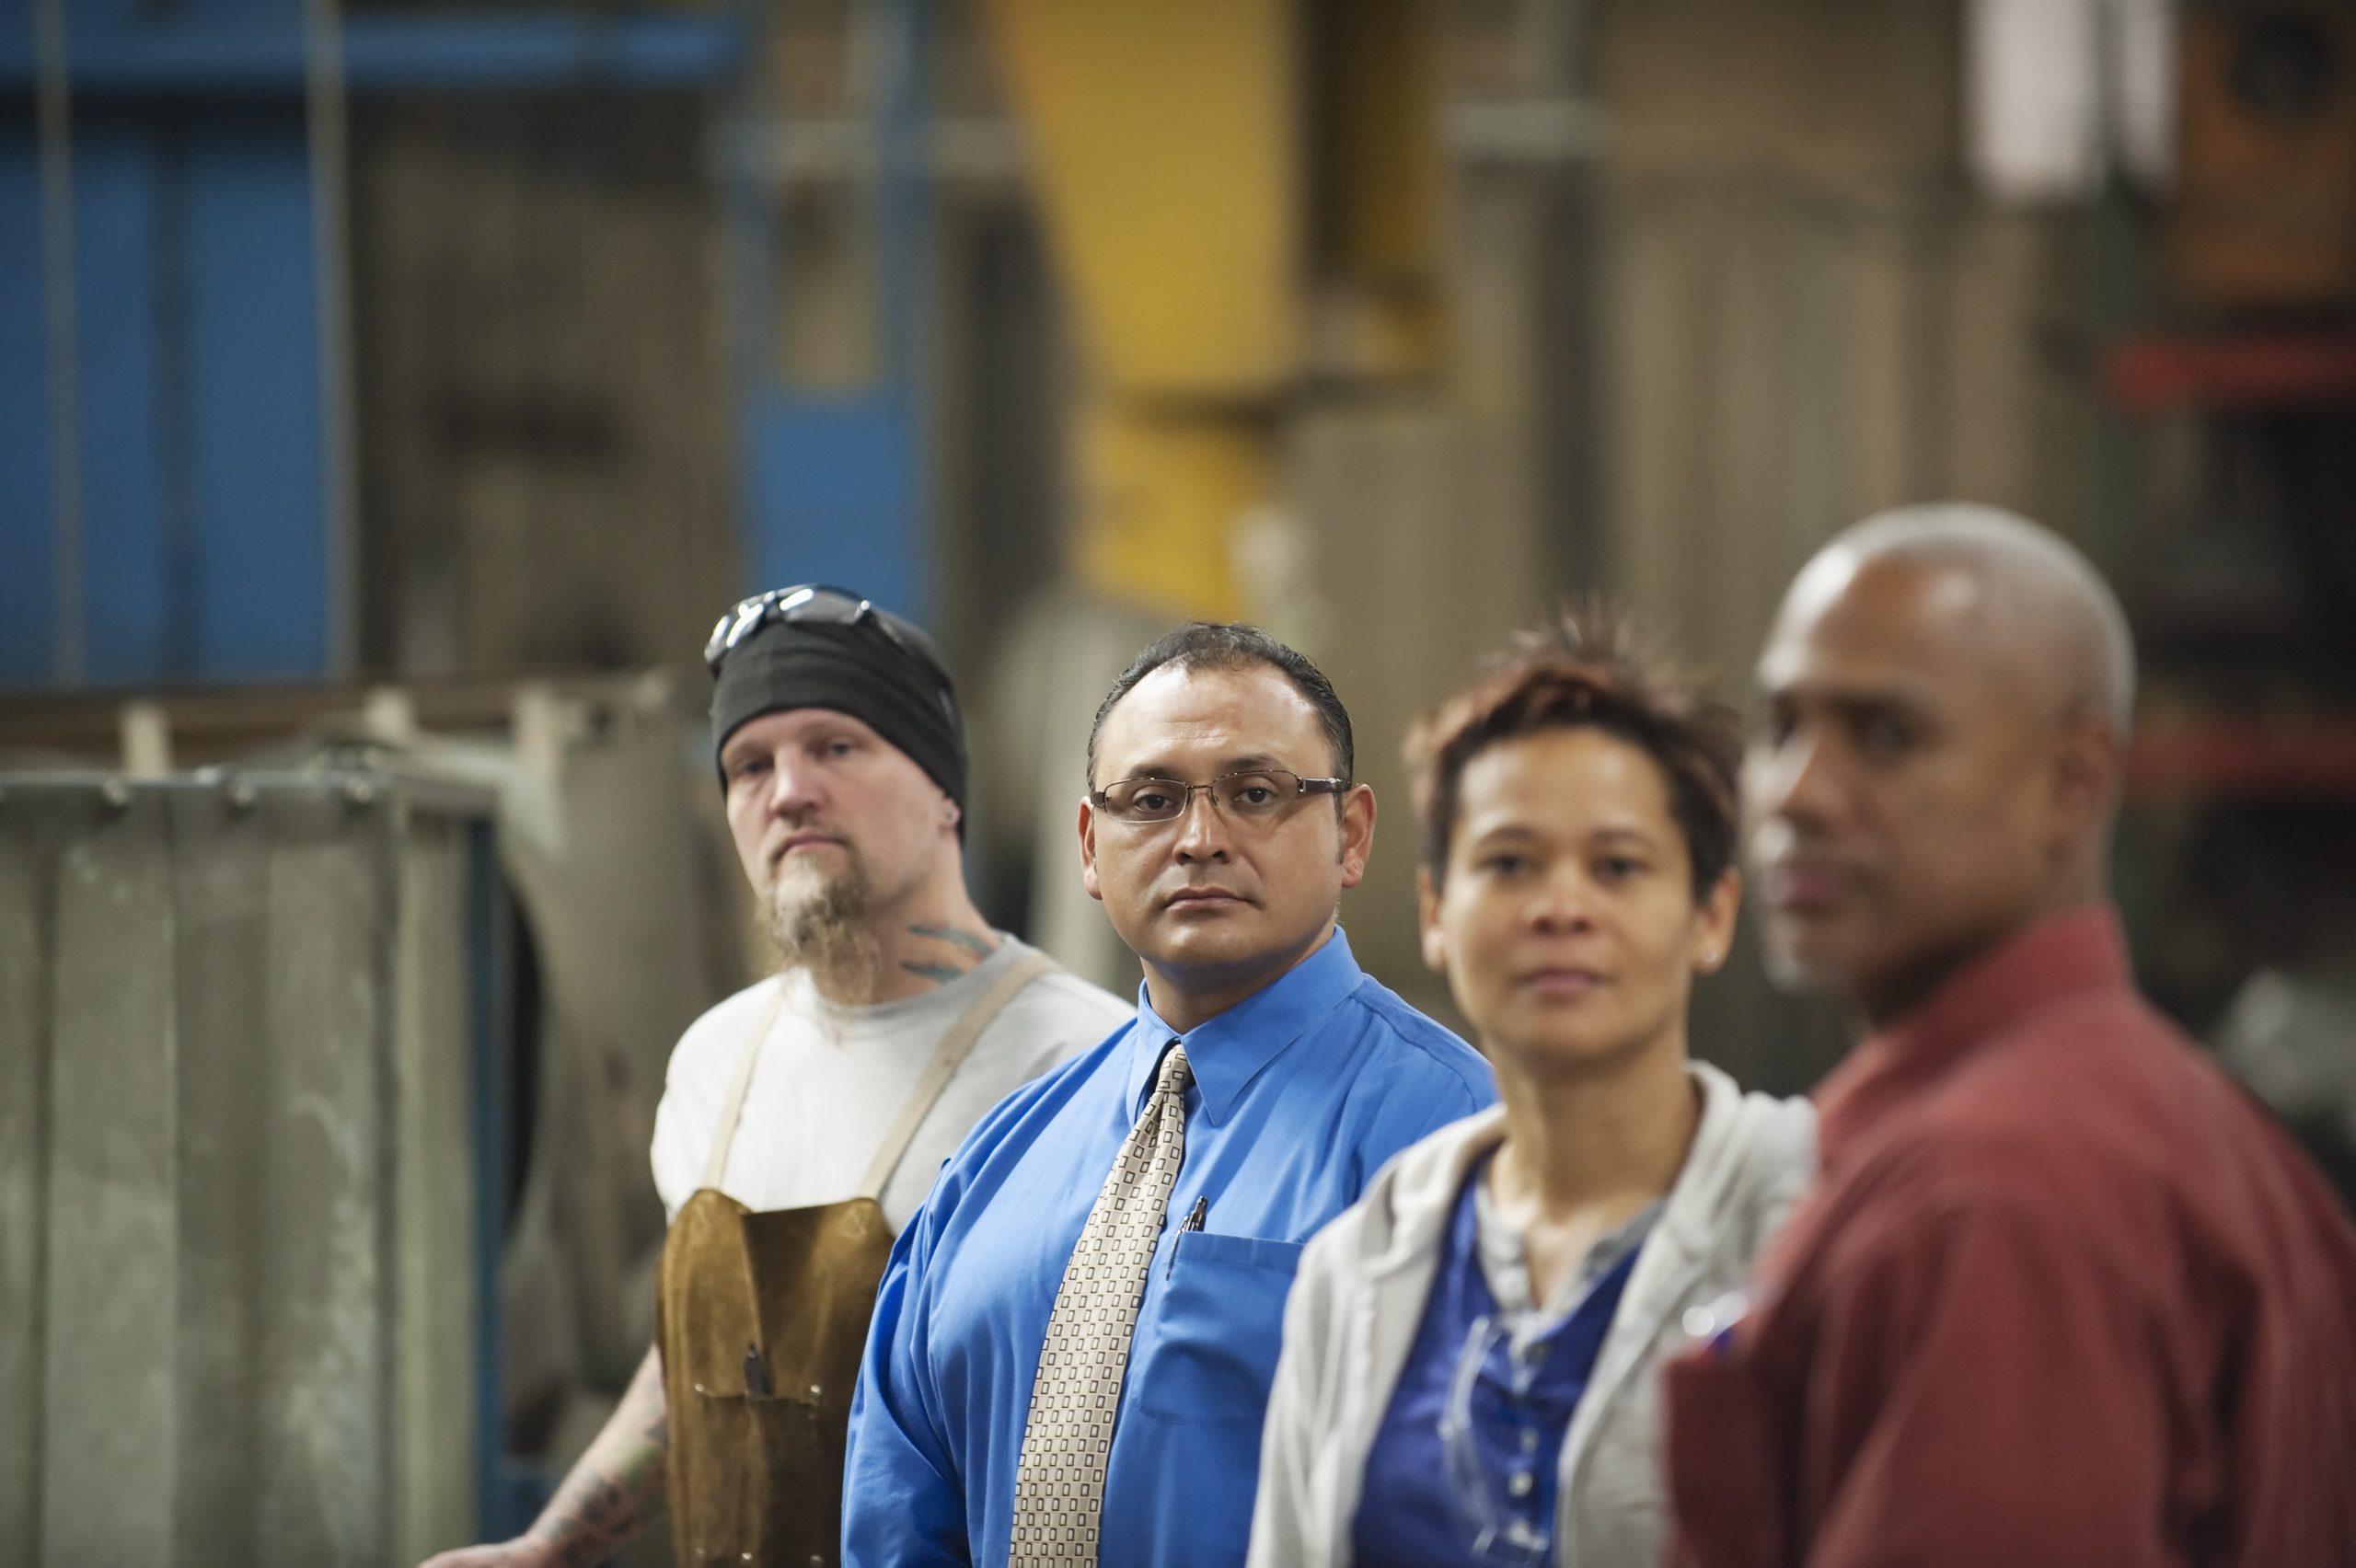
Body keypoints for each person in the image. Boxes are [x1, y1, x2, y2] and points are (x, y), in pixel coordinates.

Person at [1664, 506, 2356, 1567]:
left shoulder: (1999, 1194)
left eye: (1886, 735)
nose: (1797, 793)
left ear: (2073, 781)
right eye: (1779, 727)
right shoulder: (2166, 1124)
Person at [422, 584, 1128, 1568]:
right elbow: (700, 1368)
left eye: (835, 746)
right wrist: (550, 1547)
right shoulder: (717, 1061)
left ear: (943, 791)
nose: (787, 789)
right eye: (748, 765)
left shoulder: (1089, 1069)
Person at [841, 622, 1498, 1567]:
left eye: (1256, 794)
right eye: (1151, 800)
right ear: (1089, 846)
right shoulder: (998, 1160)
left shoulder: (1448, 1136)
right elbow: (896, 1508)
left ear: (1350, 835)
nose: (1199, 839)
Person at [1250, 611, 1815, 1568]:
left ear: (1712, 914)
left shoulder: (1812, 1219)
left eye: (1617, 867)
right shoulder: (1361, 1264)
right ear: (1436, 912)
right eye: (1508, 864)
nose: (1561, 907)